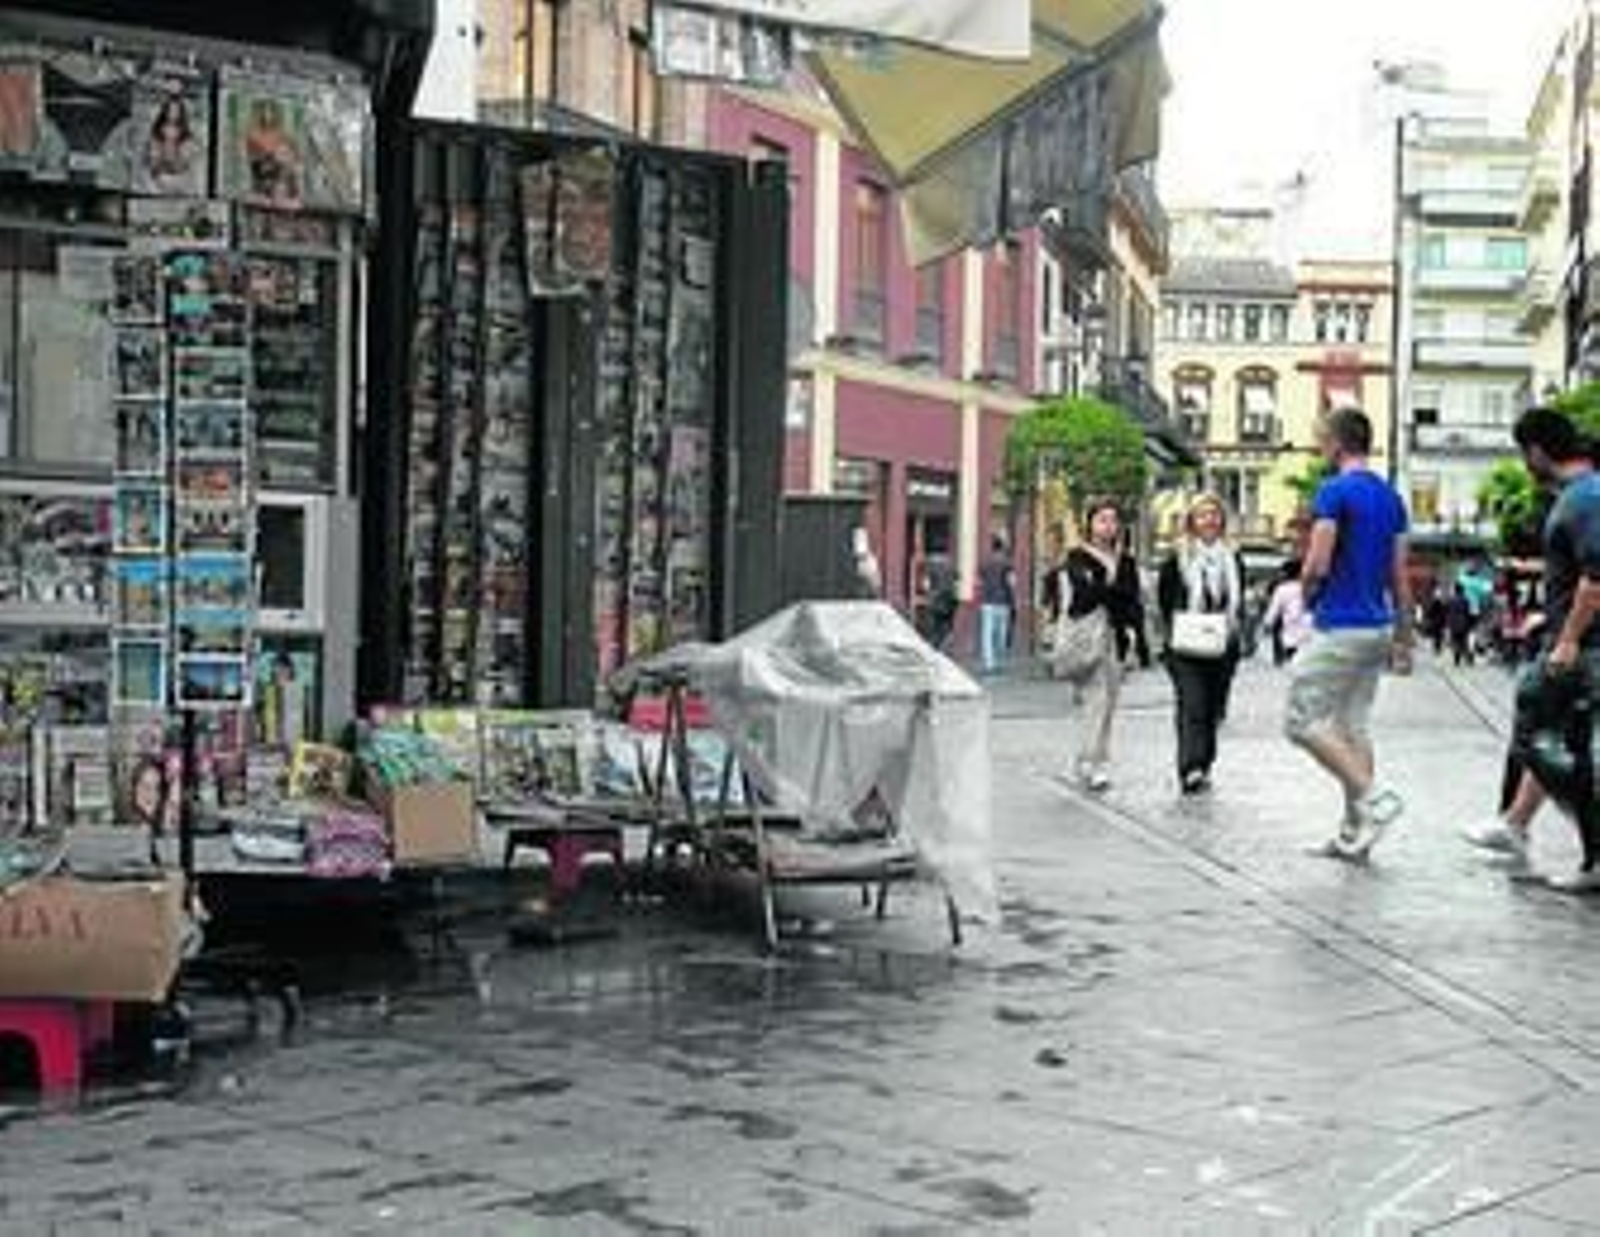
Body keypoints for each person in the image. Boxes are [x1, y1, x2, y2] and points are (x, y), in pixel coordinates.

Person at [1465, 407, 1600, 891]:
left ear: (1539, 451)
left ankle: (1524, 828)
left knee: (1547, 739)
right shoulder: (1581, 496)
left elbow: (1596, 576)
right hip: (1576, 641)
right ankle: (1517, 825)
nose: (1524, 463)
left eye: (1524, 453)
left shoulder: (1584, 499)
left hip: (1583, 647)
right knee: (1548, 735)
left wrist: (1567, 639)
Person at [1284, 408, 1413, 858]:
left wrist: (1306, 595)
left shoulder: (1333, 491)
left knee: (1300, 721)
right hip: (1377, 626)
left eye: (1321, 439)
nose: (1319, 447)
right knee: (1352, 726)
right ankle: (1354, 833)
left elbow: (1317, 562)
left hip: (1340, 623)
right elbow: (1400, 576)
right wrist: (1405, 638)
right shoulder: (1392, 498)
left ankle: (1373, 797)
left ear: (1337, 444)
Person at [1050, 500, 1149, 793]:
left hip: (1115, 642)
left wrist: (1141, 644)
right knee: (1094, 701)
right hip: (1086, 638)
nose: (1108, 525)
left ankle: (1092, 760)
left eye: (1112, 520)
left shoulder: (1126, 561)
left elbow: (1131, 602)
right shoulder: (1077, 557)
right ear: (1090, 524)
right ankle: (1091, 763)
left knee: (1107, 706)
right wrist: (1111, 592)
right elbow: (1082, 598)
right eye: (1102, 520)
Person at [1158, 494, 1244, 794]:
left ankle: (1205, 762)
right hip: (1184, 644)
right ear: (1191, 522)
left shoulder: (1232, 558)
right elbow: (1165, 600)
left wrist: (1235, 633)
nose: (1209, 520)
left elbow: (1238, 602)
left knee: (1212, 708)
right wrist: (1169, 634)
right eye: (1202, 515)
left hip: (1222, 644)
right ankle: (1189, 767)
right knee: (1192, 703)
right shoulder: (1177, 558)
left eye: (1214, 514)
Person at [978, 536, 1016, 675]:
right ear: (1002, 548)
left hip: (987, 602)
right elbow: (1012, 583)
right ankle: (998, 662)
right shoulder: (1007, 564)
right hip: (1003, 603)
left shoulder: (985, 563)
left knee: (987, 634)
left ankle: (989, 664)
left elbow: (980, 582)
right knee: (1001, 635)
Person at [1263, 560, 1312, 667]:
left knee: (1293, 665)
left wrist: (1267, 624)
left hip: (1291, 636)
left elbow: (1273, 610)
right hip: (1309, 634)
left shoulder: (1282, 589)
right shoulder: (1309, 587)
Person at [921, 552, 958, 653]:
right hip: (949, 599)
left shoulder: (930, 566)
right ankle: (943, 644)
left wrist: (927, 593)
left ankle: (935, 646)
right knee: (946, 624)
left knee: (934, 624)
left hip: (935, 598)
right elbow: (957, 579)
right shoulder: (951, 564)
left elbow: (926, 584)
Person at [1446, 585, 1477, 667]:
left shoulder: (1451, 600)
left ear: (1455, 590)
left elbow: (1448, 612)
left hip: (1454, 624)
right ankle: (1469, 659)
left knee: (1455, 641)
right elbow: (1468, 612)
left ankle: (1457, 658)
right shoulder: (1466, 600)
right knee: (1464, 641)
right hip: (1463, 623)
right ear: (1462, 591)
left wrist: (1448, 623)